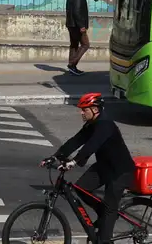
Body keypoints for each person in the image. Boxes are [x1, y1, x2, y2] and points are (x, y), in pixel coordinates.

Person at [47, 93, 136, 244]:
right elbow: (76, 140)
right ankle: (104, 214)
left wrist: (74, 161)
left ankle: (105, 238)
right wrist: (55, 156)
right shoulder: (92, 124)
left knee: (110, 208)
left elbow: (92, 145)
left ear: (95, 109)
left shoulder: (106, 124)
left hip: (121, 171)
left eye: (84, 109)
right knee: (81, 188)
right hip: (104, 166)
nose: (81, 112)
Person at [66, 0, 91, 75]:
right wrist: (81, 26)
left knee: (74, 45)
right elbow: (77, 12)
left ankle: (72, 67)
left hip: (71, 24)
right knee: (85, 44)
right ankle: (72, 64)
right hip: (77, 26)